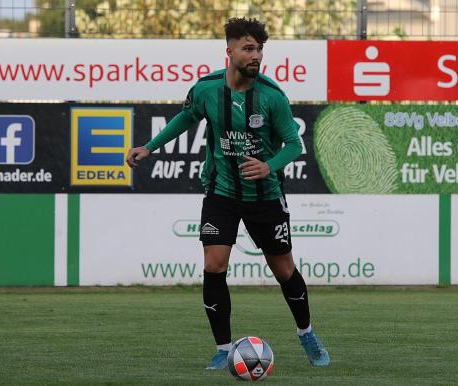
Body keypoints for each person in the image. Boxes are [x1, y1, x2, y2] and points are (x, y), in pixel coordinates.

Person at [126, 17, 330, 369]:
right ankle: (223, 348)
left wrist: (269, 166)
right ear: (230, 51)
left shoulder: (272, 97)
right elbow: (186, 117)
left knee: (284, 270)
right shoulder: (206, 90)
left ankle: (306, 333)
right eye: (249, 48)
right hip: (221, 192)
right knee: (213, 264)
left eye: (260, 49)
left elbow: (294, 143)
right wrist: (150, 146)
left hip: (265, 197)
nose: (256, 55)